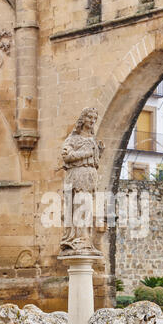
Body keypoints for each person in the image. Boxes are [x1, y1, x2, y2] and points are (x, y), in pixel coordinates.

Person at [60, 107, 104, 255]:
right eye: (89, 117)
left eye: (94, 118)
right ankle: (79, 237)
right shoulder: (73, 139)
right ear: (83, 119)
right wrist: (86, 153)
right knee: (80, 204)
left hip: (90, 175)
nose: (92, 121)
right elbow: (66, 156)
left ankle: (86, 238)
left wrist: (99, 152)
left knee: (88, 208)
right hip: (78, 174)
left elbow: (95, 160)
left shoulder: (92, 139)